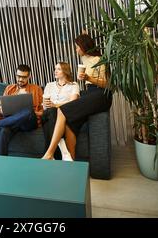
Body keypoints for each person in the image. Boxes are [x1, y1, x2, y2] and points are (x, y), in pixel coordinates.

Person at [42, 33, 112, 161]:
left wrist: (88, 78)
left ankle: (49, 153)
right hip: (90, 93)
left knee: (62, 110)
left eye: (77, 46)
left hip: (101, 95)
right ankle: (71, 163)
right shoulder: (85, 59)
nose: (76, 49)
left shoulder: (99, 60)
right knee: (70, 123)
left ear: (83, 47)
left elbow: (109, 84)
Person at [42, 62, 79, 161]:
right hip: (47, 114)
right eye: (55, 68)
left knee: (51, 121)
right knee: (52, 111)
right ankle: (63, 149)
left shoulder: (74, 85)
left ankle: (50, 155)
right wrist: (46, 104)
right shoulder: (49, 85)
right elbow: (44, 106)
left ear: (65, 71)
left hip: (62, 117)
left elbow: (73, 105)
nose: (55, 71)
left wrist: (56, 105)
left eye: (58, 69)